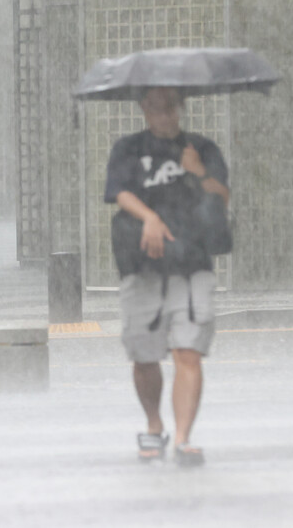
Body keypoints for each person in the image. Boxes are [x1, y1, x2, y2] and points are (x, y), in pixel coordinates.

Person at [104, 87, 230, 466]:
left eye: (170, 107)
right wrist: (150, 217)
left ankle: (184, 438)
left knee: (188, 350)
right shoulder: (128, 149)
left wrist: (198, 171)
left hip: (192, 263)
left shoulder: (201, 148)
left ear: (181, 108)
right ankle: (154, 424)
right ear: (144, 108)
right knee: (144, 354)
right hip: (143, 265)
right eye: (156, 107)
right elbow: (118, 193)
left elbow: (222, 195)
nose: (164, 115)